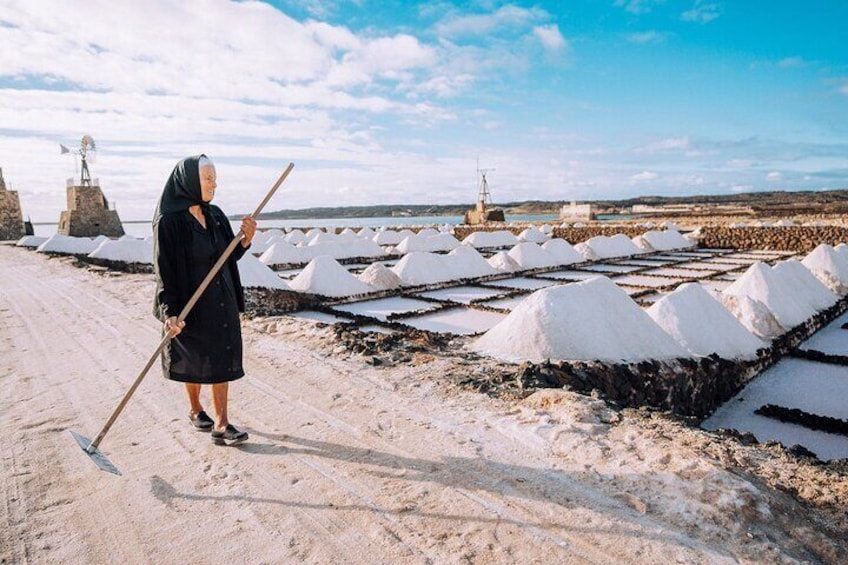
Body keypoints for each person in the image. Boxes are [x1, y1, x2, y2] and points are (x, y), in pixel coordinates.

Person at [152, 155, 257, 445]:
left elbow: (228, 256)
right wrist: (169, 311)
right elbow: (164, 269)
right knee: (193, 358)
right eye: (208, 179)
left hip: (220, 299)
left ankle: (222, 424)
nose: (214, 184)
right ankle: (195, 408)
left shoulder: (216, 215)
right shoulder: (169, 222)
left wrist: (245, 240)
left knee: (221, 355)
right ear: (189, 182)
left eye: (214, 178)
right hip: (188, 302)